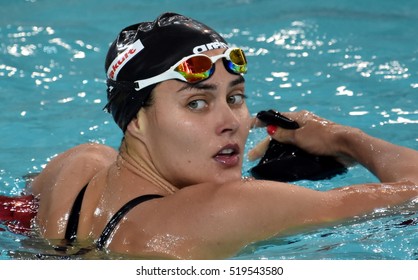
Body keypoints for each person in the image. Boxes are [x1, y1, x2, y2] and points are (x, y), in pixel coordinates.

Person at [3, 12, 418, 260]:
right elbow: (413, 191)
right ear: (135, 120)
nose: (232, 122)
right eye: (196, 103)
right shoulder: (223, 208)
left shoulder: (74, 166)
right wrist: (343, 138)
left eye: (235, 97)